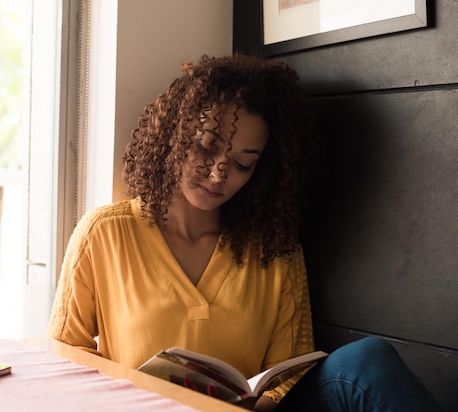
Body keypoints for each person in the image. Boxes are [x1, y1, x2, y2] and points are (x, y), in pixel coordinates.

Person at [47, 54, 442, 411]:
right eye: (206, 146)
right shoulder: (105, 234)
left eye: (242, 164)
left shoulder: (275, 249)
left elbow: (288, 374)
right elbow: (64, 357)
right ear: (173, 135)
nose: (219, 173)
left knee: (366, 360)